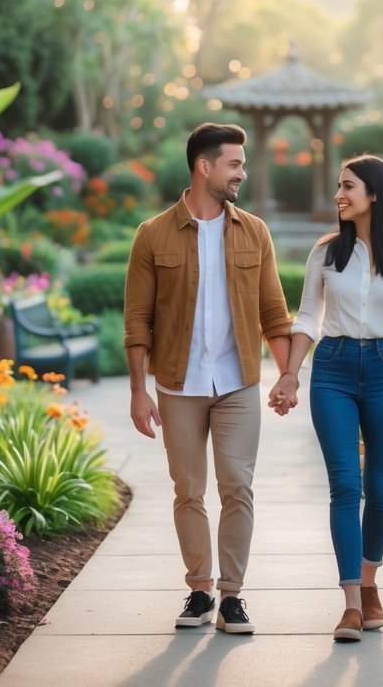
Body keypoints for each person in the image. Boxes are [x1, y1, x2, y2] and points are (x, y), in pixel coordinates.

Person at [124, 122, 292, 635]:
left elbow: (273, 311)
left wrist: (287, 375)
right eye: (235, 164)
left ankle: (232, 597)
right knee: (188, 489)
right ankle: (199, 591)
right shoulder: (152, 234)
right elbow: (137, 320)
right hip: (177, 385)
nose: (242, 172)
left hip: (238, 381)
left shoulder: (254, 231)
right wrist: (138, 391)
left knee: (237, 487)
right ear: (205, 167)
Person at [268, 154, 383, 642]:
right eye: (340, 186)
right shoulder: (325, 253)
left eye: (348, 187)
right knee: (345, 486)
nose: (339, 195)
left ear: (375, 194)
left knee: (381, 489)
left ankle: (369, 584)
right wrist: (290, 375)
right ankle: (349, 605)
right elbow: (306, 319)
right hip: (333, 370)